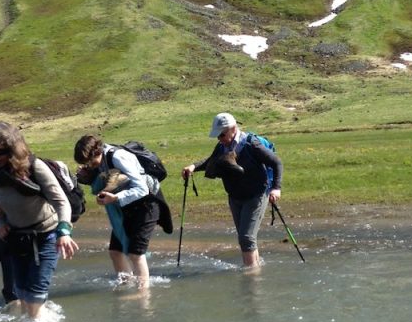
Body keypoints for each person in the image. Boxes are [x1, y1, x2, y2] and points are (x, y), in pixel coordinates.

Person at [0, 121, 78, 318]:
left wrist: (64, 231)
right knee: (23, 295)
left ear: (14, 149)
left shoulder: (35, 166)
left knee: (35, 297)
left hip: (45, 237)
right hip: (16, 239)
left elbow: (61, 201)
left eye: (3, 152)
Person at [182, 112, 282, 269]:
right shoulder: (222, 146)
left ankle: (250, 276)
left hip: (256, 195)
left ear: (233, 129)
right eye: (217, 136)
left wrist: (276, 189)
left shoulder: (251, 144)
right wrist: (194, 166)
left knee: (246, 237)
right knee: (246, 238)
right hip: (235, 196)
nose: (219, 139)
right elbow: (211, 161)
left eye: (222, 134)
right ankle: (255, 267)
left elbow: (276, 162)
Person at [74, 135, 172, 289]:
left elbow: (142, 189)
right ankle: (127, 286)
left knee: (136, 253)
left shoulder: (118, 157)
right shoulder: (101, 160)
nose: (90, 166)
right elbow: (105, 181)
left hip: (147, 204)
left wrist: (115, 198)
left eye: (90, 162)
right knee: (115, 252)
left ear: (97, 152)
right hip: (127, 207)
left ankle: (142, 294)